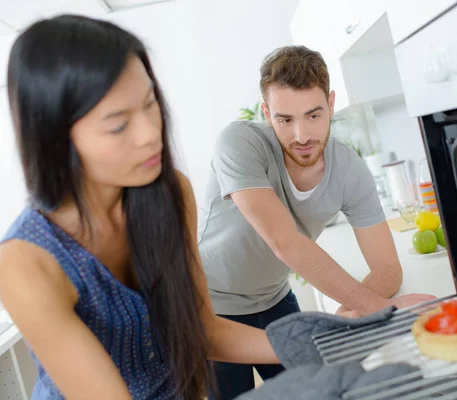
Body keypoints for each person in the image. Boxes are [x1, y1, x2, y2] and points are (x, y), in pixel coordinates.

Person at [0, 15, 280, 400]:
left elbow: (203, 331)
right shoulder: (25, 261)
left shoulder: (169, 194)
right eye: (118, 125)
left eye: (150, 104)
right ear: (55, 139)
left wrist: (316, 339)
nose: (151, 134)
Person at [198, 45, 436, 399]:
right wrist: (378, 308)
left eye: (313, 115)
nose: (302, 135)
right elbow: (285, 242)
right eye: (285, 119)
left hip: (277, 301)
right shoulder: (239, 143)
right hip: (212, 307)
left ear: (331, 103)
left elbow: (387, 267)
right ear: (266, 112)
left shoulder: (349, 170)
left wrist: (348, 312)